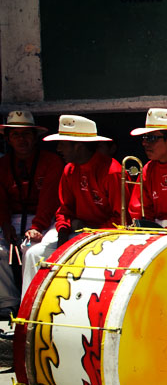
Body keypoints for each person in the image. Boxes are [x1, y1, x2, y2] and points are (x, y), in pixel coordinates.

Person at [22, 115, 122, 296]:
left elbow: (121, 220)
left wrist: (89, 229)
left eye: (63, 143)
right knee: (33, 254)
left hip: (105, 237)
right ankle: (29, 313)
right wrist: (63, 233)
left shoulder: (112, 171)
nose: (58, 149)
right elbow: (64, 210)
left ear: (79, 146)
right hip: (75, 234)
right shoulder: (69, 169)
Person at [0, 112, 62, 319]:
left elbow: (49, 199)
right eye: (16, 135)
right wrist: (6, 226)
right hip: (14, 218)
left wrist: (38, 226)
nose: (21, 140)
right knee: (0, 250)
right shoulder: (2, 165)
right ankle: (7, 304)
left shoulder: (51, 161)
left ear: (34, 137)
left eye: (26, 134)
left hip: (46, 219)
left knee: (32, 252)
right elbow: (1, 201)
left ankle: (30, 306)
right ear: (8, 139)